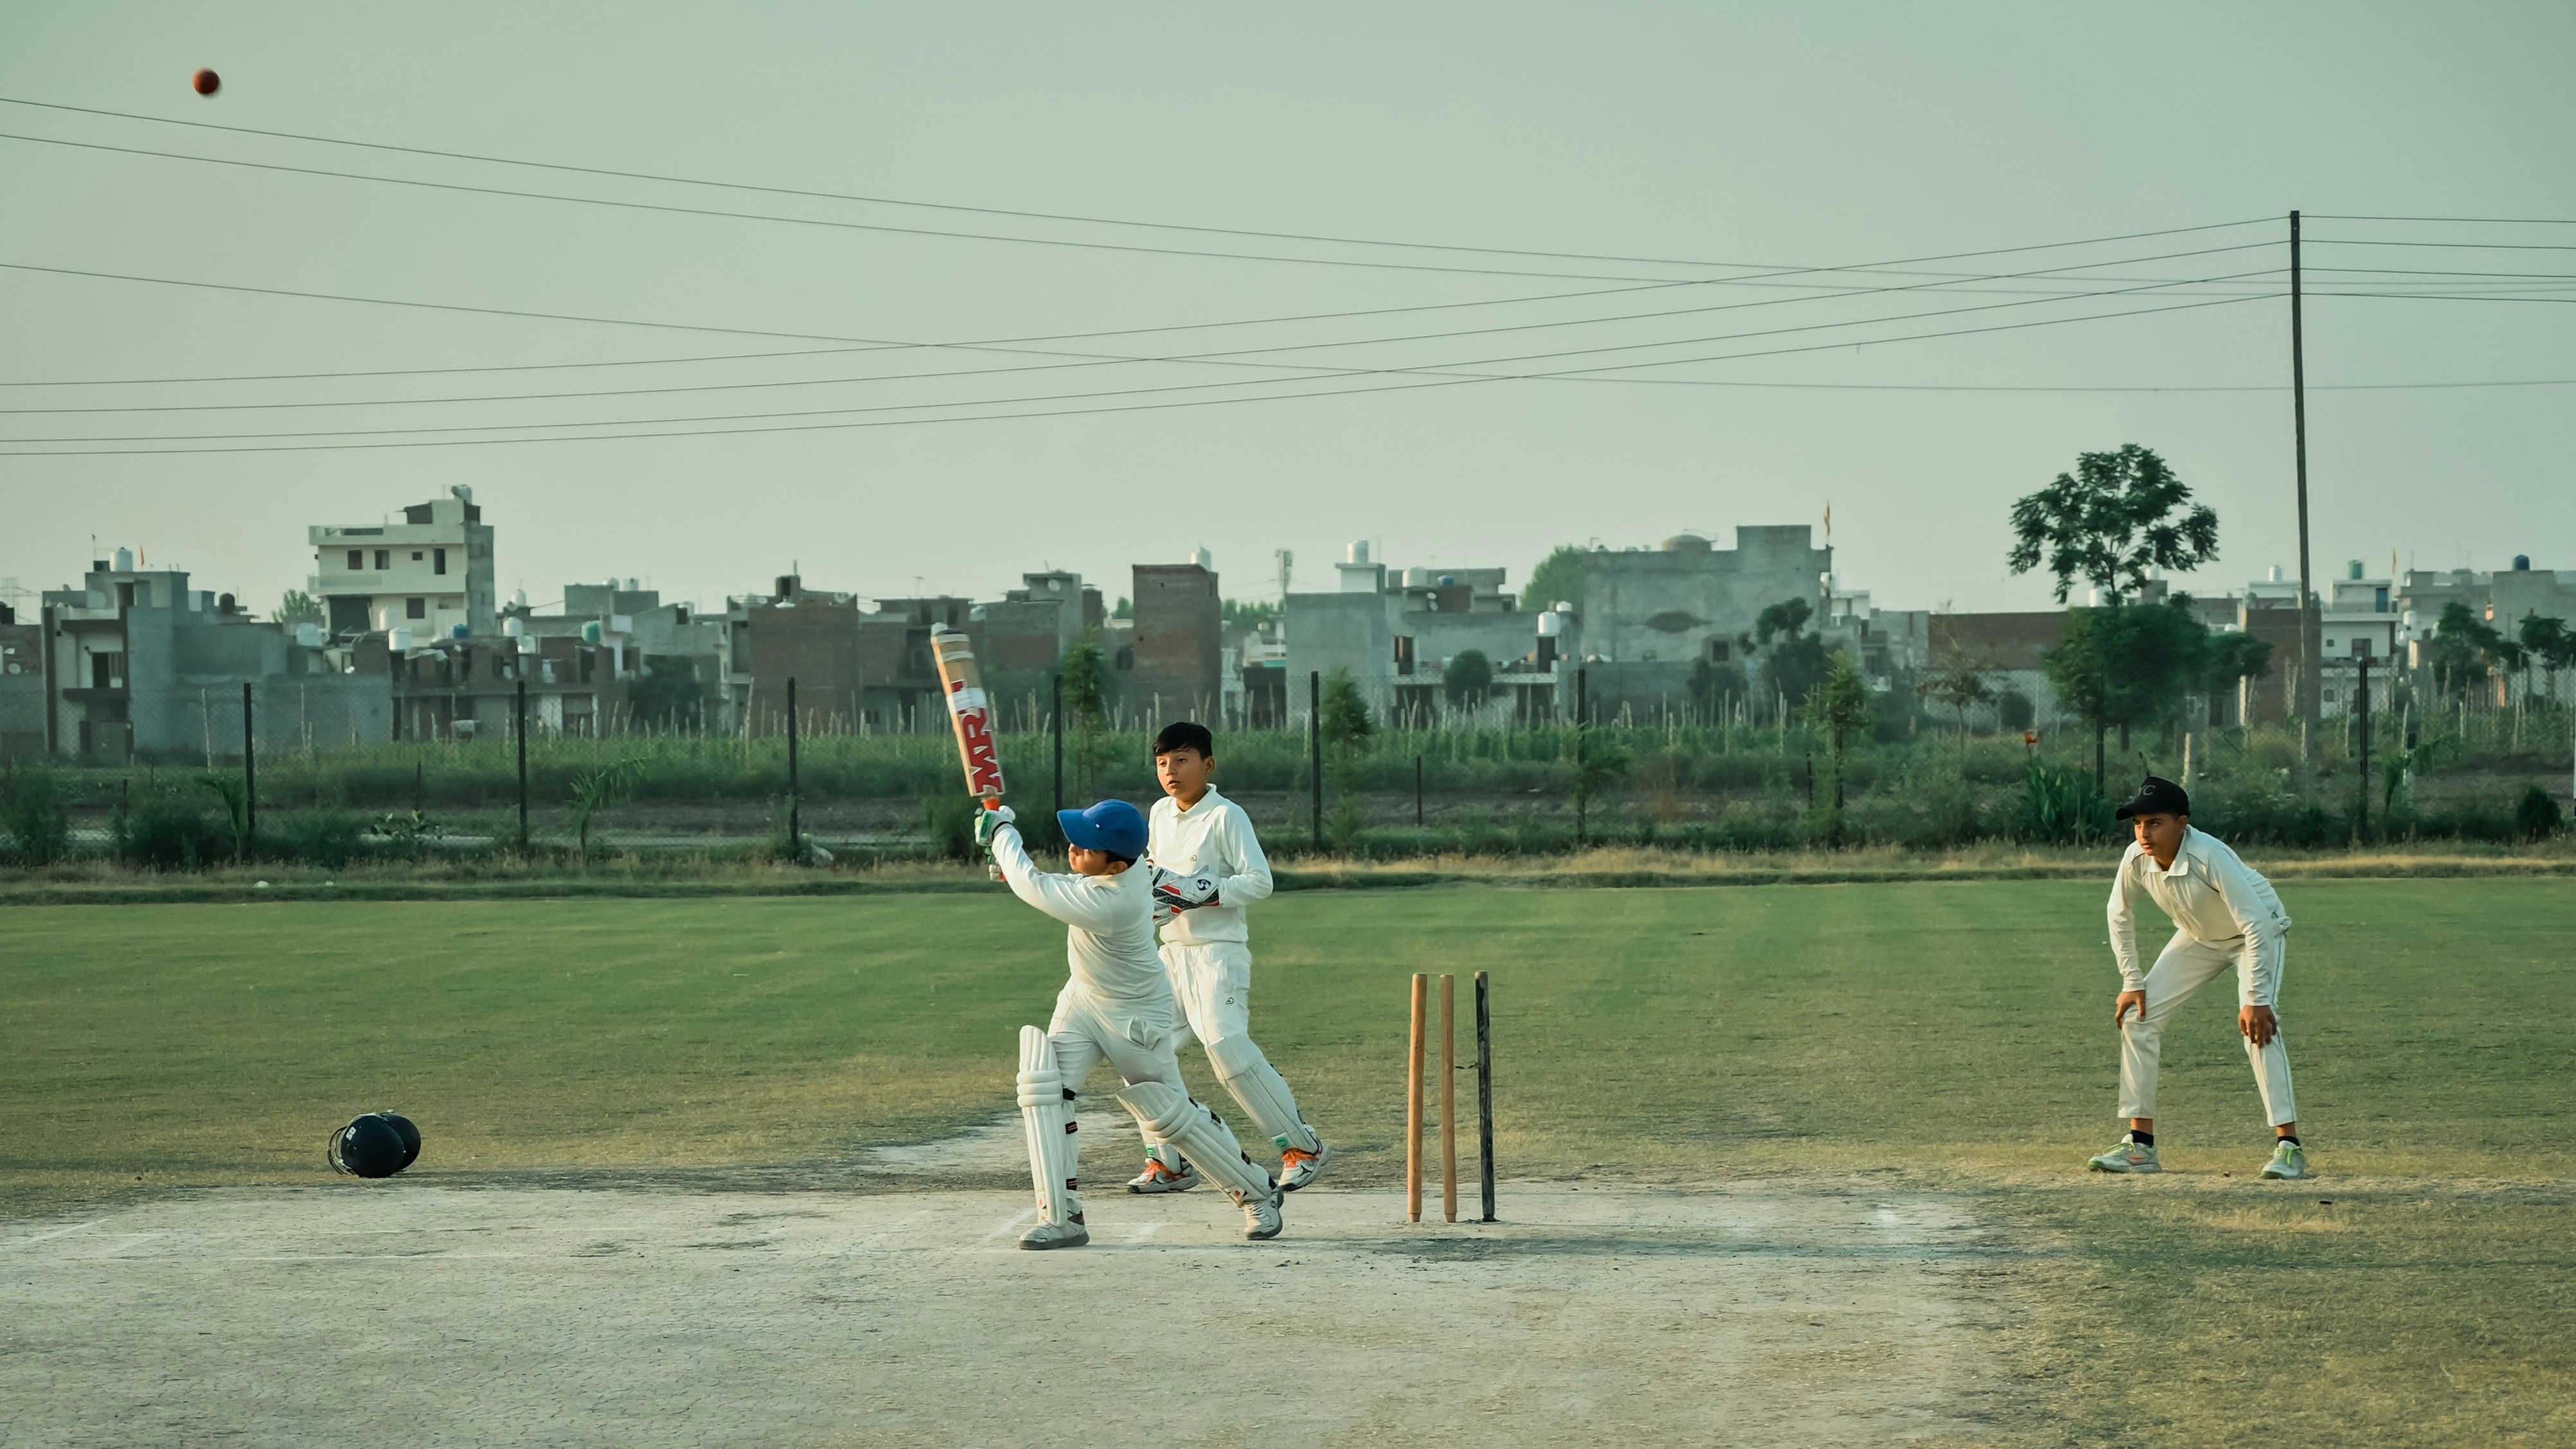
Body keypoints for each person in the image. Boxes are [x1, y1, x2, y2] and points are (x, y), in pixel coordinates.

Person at [978, 797, 1285, 1248]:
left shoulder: (1111, 901)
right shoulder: (1124, 872)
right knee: (1047, 1090)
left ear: (1116, 862)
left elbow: (1034, 884)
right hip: (1082, 1000)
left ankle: (1258, 1192)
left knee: (1167, 1112)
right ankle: (1062, 1217)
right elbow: (1054, 881)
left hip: (1136, 1014)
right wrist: (1004, 861)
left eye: (1084, 847)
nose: (1073, 849)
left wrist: (1003, 833)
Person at [1125, 721, 1332, 1196]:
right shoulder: (1158, 813)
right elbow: (1155, 875)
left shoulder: (1225, 816)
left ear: (1207, 764)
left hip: (1218, 955)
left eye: (1181, 759)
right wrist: (1152, 901)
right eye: (1162, 762)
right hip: (1171, 954)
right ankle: (1169, 1163)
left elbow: (1260, 881)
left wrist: (1206, 890)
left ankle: (1303, 1147)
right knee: (1140, 1050)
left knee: (1226, 1048)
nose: (1170, 771)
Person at [2087, 775, 2308, 1180]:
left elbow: (2256, 924)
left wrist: (2256, 999)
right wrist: (2131, 981)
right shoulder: (2135, 857)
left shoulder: (2209, 856)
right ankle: (2140, 1147)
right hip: (2201, 935)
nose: (2143, 833)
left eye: (2154, 822)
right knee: (2139, 1017)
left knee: (2259, 1030)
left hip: (2255, 933)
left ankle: (2289, 1148)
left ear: (2182, 823)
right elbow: (2118, 913)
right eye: (2137, 824)